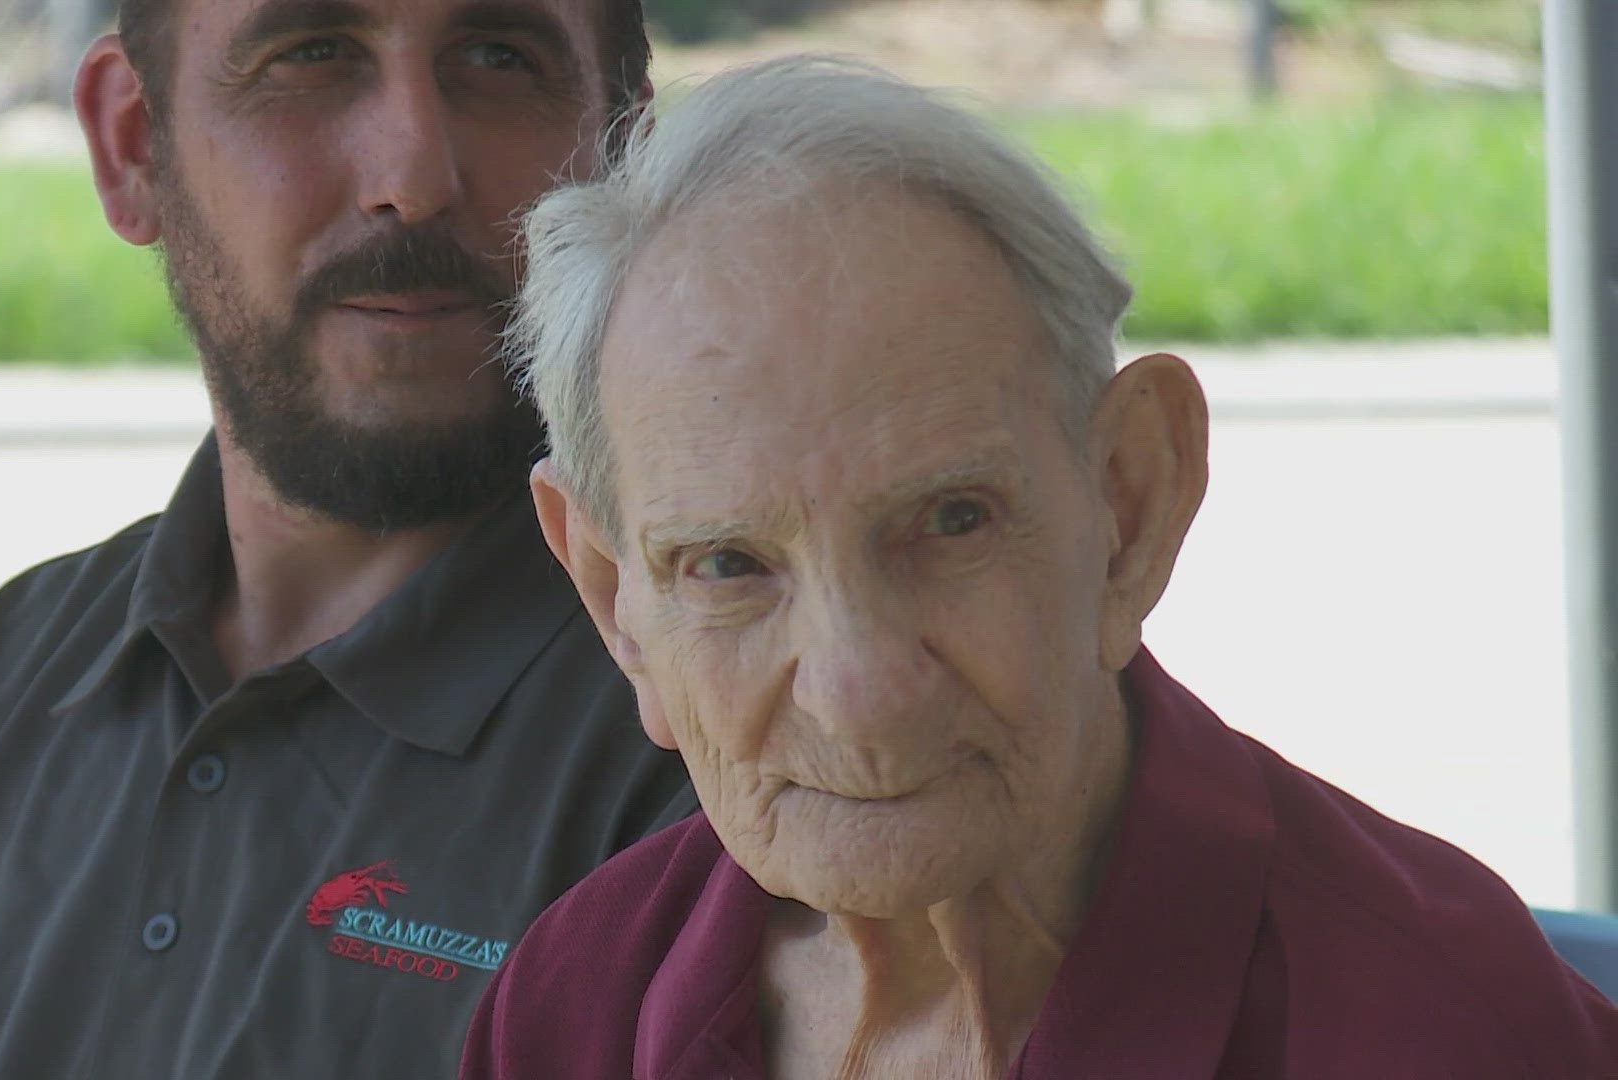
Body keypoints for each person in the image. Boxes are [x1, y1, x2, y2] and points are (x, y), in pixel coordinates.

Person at [460, 56, 1618, 1078]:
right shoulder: (576, 1009)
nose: (860, 693)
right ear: (617, 599)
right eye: (728, 565)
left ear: (1132, 502)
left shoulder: (1431, 1029)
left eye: (952, 520)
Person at [0, 1, 694, 1077]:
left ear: (627, 162)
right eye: (312, 56)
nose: (413, 174)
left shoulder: (724, 734)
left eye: (498, 57)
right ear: (130, 147)